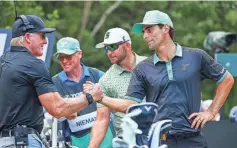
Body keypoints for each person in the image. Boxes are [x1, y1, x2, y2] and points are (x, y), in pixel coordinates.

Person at [84, 10, 234, 148]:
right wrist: (101, 98)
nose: (145, 36)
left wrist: (211, 111)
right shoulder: (142, 68)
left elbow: (226, 79)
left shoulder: (196, 56)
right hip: (159, 141)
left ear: (165, 29)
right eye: (144, 32)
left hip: (193, 140)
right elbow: (131, 104)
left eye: (149, 30)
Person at [0, 15, 103, 148]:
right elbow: (57, 109)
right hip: (23, 141)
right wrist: (90, 96)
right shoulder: (34, 64)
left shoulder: (3, 61)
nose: (46, 41)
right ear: (27, 38)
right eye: (42, 35)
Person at [87, 27, 147, 148]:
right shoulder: (105, 80)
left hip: (156, 135)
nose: (109, 52)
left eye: (113, 46)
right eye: (106, 48)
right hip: (126, 141)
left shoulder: (150, 65)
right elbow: (102, 120)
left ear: (128, 46)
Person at [52, 37, 114, 148]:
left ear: (79, 54)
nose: (65, 61)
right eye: (61, 58)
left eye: (68, 56)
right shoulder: (55, 83)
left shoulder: (97, 75)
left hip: (106, 139)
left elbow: (117, 99)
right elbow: (58, 113)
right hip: (78, 141)